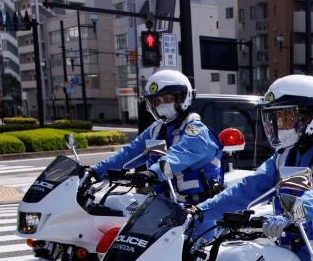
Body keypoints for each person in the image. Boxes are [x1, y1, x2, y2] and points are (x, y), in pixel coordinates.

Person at [192, 74, 313, 259]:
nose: (279, 125)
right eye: (275, 118)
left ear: (312, 114)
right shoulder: (283, 157)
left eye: (287, 117)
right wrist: (200, 211)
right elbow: (248, 188)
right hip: (292, 258)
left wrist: (290, 215)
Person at [91, 70, 222, 203]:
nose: (161, 105)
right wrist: (96, 170)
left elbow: (177, 156)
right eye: (156, 101)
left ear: (183, 97)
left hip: (201, 208)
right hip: (166, 206)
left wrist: (153, 173)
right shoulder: (158, 130)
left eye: (167, 99)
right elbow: (131, 152)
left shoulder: (196, 130)